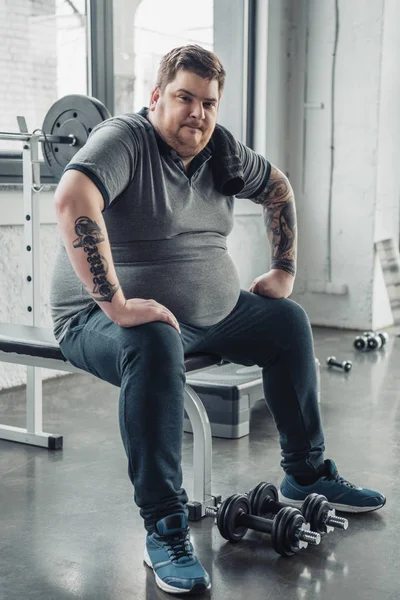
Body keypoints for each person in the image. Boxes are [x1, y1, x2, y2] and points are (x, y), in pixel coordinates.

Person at [50, 44, 385, 595]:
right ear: (157, 97)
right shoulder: (125, 140)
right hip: (94, 317)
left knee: (288, 323)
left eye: (208, 103)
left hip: (206, 315)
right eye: (184, 98)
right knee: (154, 339)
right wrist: (117, 304)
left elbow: (278, 186)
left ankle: (303, 473)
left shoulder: (221, 152)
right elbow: (72, 199)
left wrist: (284, 269)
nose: (197, 114)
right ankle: (164, 525)